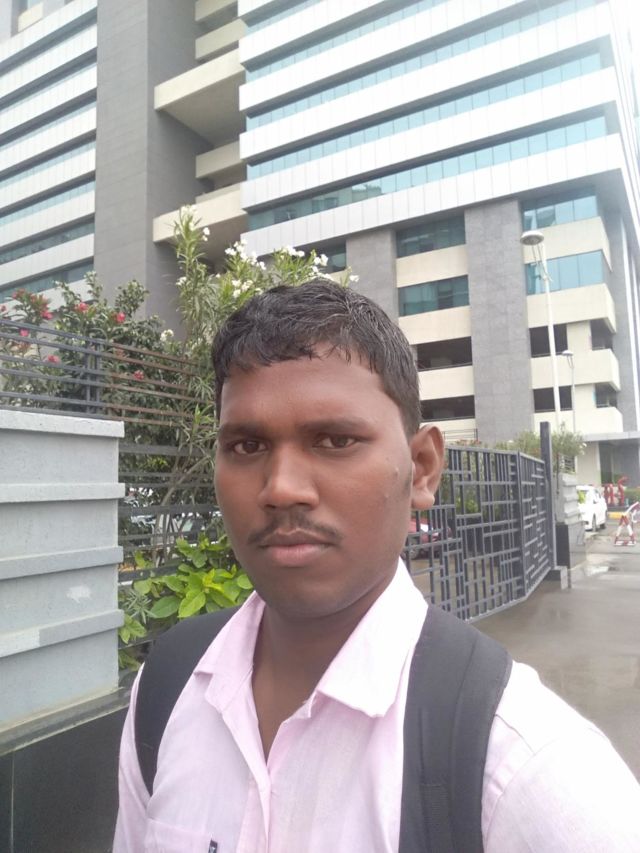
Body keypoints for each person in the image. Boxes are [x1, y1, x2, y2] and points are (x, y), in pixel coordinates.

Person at [114, 280, 640, 852]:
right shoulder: (166, 691)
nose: (282, 488)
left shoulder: (530, 770)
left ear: (422, 468)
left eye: (335, 440)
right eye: (246, 446)